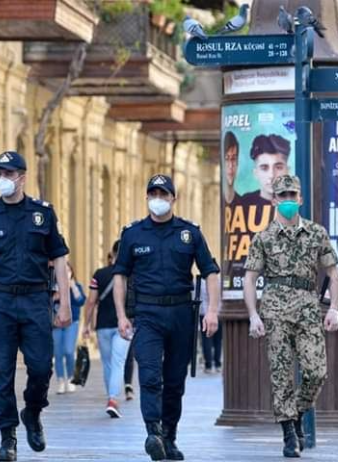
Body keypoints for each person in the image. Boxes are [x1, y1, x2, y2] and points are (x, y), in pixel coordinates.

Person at [0, 151, 71, 462]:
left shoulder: (43, 214)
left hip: (35, 299)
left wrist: (65, 303)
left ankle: (32, 411)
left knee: (40, 367)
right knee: (2, 372)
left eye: (8, 174)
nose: (3, 180)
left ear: (22, 177)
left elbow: (59, 257)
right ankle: (8, 437)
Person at [113, 174, 220, 461]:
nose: (157, 199)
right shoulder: (133, 234)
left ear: (174, 198)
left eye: (163, 194)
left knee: (175, 381)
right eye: (153, 194)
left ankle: (169, 436)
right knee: (149, 375)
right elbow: (120, 275)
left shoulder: (190, 233)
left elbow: (210, 271)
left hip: (182, 314)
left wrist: (212, 311)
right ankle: (153, 432)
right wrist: (122, 315)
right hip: (147, 314)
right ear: (147, 197)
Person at [244, 174, 338, 458]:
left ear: (300, 199)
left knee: (316, 372)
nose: (287, 201)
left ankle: (296, 414)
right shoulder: (263, 238)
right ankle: (288, 433)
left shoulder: (316, 233)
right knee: (281, 374)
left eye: (292, 195)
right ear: (274, 200)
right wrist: (253, 315)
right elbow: (250, 279)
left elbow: (333, 273)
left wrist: (334, 307)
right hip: (275, 309)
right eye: (282, 195)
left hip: (309, 308)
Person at [83, 240, 131, 418]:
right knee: (119, 362)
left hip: (102, 325)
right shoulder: (131, 274)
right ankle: (113, 398)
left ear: (112, 253)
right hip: (125, 325)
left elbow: (91, 302)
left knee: (108, 363)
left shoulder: (100, 274)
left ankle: (112, 397)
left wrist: (86, 325)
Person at [53, 261, 86, 394]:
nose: (65, 273)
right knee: (58, 353)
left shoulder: (76, 286)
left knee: (68, 350)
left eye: (68, 271)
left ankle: (71, 378)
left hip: (72, 323)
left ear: (72, 272)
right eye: (63, 271)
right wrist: (55, 296)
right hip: (56, 323)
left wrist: (72, 287)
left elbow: (81, 301)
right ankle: (61, 380)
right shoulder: (54, 287)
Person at [235, 134, 291, 207]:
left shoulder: (296, 202)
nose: (271, 175)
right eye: (264, 168)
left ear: (287, 171)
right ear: (255, 173)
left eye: (278, 167)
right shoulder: (244, 203)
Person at [199, 273, 222, 374]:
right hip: (219, 313)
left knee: (206, 339)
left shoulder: (200, 282)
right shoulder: (220, 281)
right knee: (218, 340)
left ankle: (208, 365)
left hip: (204, 313)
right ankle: (217, 364)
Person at [223, 131, 240, 204]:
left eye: (233, 159)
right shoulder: (218, 198)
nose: (230, 165)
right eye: (226, 159)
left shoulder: (243, 203)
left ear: (237, 163)